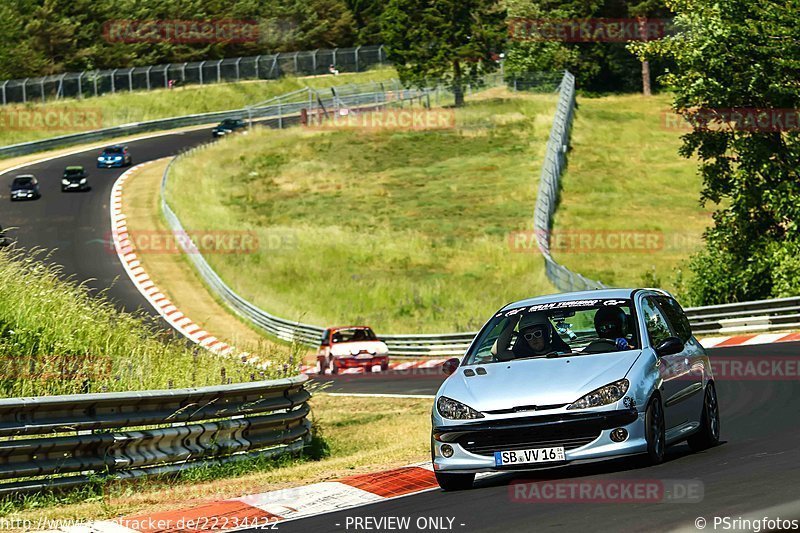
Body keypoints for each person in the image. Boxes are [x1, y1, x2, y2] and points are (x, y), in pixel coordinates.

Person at [493, 312, 570, 360]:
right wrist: (513, 321)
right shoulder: (523, 355)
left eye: (537, 334)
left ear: (546, 334)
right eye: (528, 336)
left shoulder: (562, 350)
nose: (534, 339)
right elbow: (498, 353)